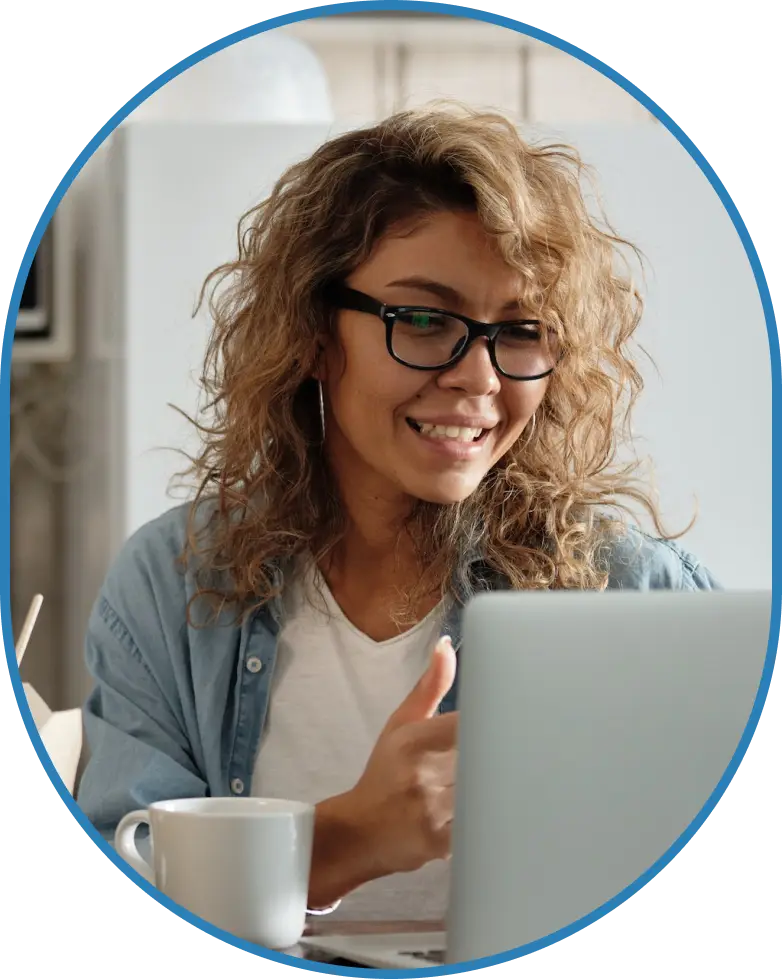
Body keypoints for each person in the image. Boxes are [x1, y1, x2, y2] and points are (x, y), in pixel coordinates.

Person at [75, 103, 718, 923]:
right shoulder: (170, 587)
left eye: (521, 330)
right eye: (423, 318)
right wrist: (351, 837)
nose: (479, 377)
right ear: (312, 331)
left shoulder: (635, 593)